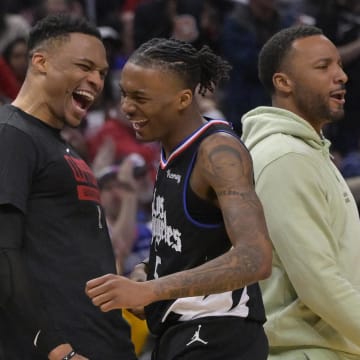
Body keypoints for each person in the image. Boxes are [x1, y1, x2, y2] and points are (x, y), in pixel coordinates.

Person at [86, 37, 273, 360]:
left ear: (183, 99)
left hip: (219, 333)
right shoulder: (169, 150)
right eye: (125, 95)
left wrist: (151, 290)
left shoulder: (218, 153)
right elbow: (193, 244)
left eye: (140, 98)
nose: (127, 107)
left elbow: (256, 257)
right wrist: (147, 273)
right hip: (180, 331)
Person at [0, 14, 136, 360]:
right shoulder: (11, 135)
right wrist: (57, 350)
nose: (95, 80)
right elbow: (3, 251)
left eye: (102, 73)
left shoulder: (61, 147)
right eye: (85, 66)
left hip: (105, 342)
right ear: (40, 62)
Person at [241, 25, 360, 359]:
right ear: (283, 82)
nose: (341, 76)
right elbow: (319, 283)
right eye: (323, 67)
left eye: (339, 64)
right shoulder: (287, 158)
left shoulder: (305, 152)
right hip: (306, 350)